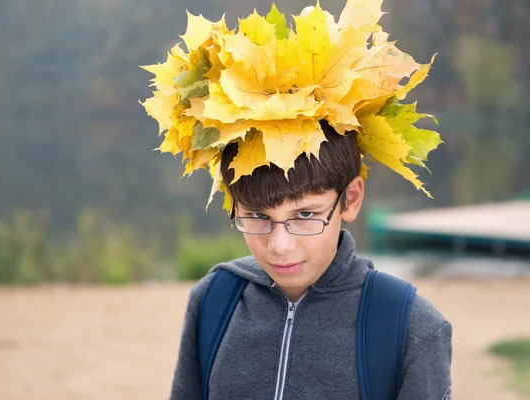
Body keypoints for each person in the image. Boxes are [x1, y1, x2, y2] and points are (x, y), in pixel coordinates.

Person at [140, 1, 452, 399]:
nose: (279, 245)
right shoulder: (215, 301)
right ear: (232, 203)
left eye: (305, 214)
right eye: (257, 216)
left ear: (350, 200)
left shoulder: (410, 327)